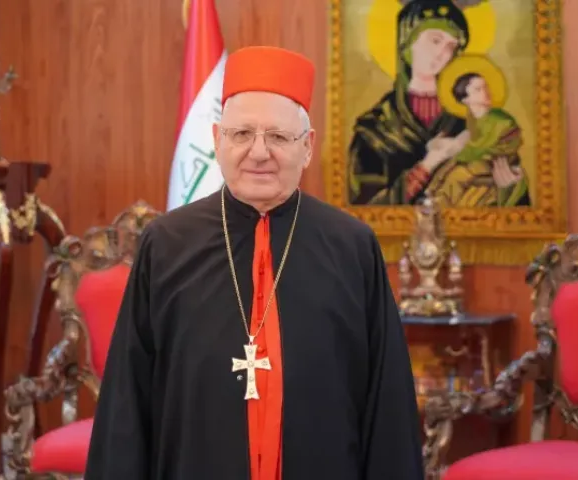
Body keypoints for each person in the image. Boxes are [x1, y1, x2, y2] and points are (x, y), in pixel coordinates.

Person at [84, 45, 423, 479]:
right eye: (242, 134)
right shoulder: (167, 244)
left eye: (278, 137)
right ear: (217, 140)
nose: (259, 152)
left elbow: (387, 403)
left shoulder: (352, 247)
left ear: (308, 147)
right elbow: (127, 401)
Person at [347, 0, 470, 205]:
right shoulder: (376, 127)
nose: (442, 54)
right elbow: (363, 208)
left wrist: (509, 185)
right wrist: (427, 166)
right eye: (435, 40)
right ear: (407, 41)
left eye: (451, 47)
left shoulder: (465, 121)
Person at [424, 54, 531, 207]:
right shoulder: (468, 120)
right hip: (478, 160)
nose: (486, 91)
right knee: (447, 169)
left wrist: (455, 149)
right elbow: (470, 141)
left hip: (496, 160)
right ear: (465, 99)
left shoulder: (499, 119)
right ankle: (434, 195)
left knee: (457, 175)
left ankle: (441, 203)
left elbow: (481, 146)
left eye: (486, 87)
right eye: (478, 89)